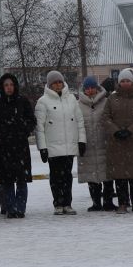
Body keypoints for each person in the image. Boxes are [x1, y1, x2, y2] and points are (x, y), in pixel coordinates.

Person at [30, 71, 83, 216]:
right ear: (49, 85)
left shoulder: (72, 99)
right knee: (55, 177)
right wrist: (42, 147)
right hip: (53, 147)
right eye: (54, 83)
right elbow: (39, 127)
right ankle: (58, 203)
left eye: (60, 82)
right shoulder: (42, 102)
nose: (58, 85)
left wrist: (81, 141)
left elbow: (79, 122)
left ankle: (67, 203)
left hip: (69, 145)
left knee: (67, 176)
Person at [99, 69, 133, 213]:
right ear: (119, 83)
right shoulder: (112, 98)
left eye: (128, 80)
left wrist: (131, 130)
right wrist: (116, 131)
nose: (125, 83)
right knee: (120, 175)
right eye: (122, 81)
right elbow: (105, 118)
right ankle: (122, 203)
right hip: (117, 142)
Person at [0, 74, 36, 219]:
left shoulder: (23, 102)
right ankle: (10, 208)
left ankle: (20, 208)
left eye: (11, 85)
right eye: (6, 85)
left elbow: (31, 120)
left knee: (21, 179)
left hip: (20, 147)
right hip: (3, 148)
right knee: (6, 180)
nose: (9, 88)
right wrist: (0, 137)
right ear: (2, 87)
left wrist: (23, 130)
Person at [75, 75, 112, 211]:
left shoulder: (107, 102)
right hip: (88, 146)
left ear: (97, 88)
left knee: (107, 175)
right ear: (84, 90)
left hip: (104, 143)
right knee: (91, 176)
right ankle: (96, 202)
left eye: (92, 88)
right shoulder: (77, 105)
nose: (90, 90)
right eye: (87, 88)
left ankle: (108, 202)